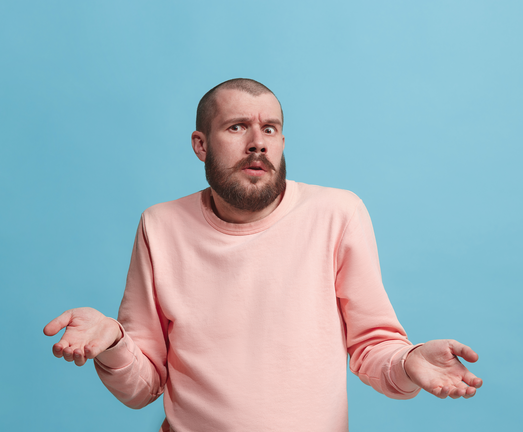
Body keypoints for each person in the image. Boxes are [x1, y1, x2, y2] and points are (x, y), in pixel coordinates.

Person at [43, 78, 483, 432]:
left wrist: (410, 361)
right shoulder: (159, 226)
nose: (258, 142)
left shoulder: (337, 213)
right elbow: (144, 386)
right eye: (237, 127)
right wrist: (114, 343)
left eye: (269, 129)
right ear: (200, 144)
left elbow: (373, 347)